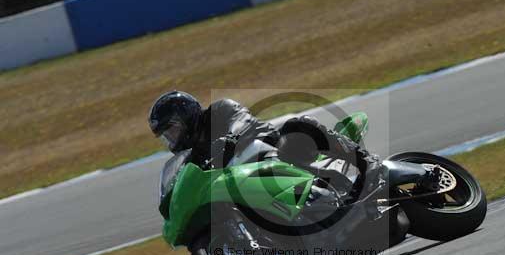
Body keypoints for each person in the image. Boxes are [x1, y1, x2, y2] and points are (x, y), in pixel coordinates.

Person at [148, 90, 382, 200]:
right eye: (165, 136)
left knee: (296, 124)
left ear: (186, 116)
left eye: (172, 130)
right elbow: (187, 180)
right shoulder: (193, 156)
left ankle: (367, 164)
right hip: (249, 183)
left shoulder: (220, 109)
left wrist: (228, 139)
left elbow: (241, 124)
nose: (171, 139)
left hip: (276, 151)